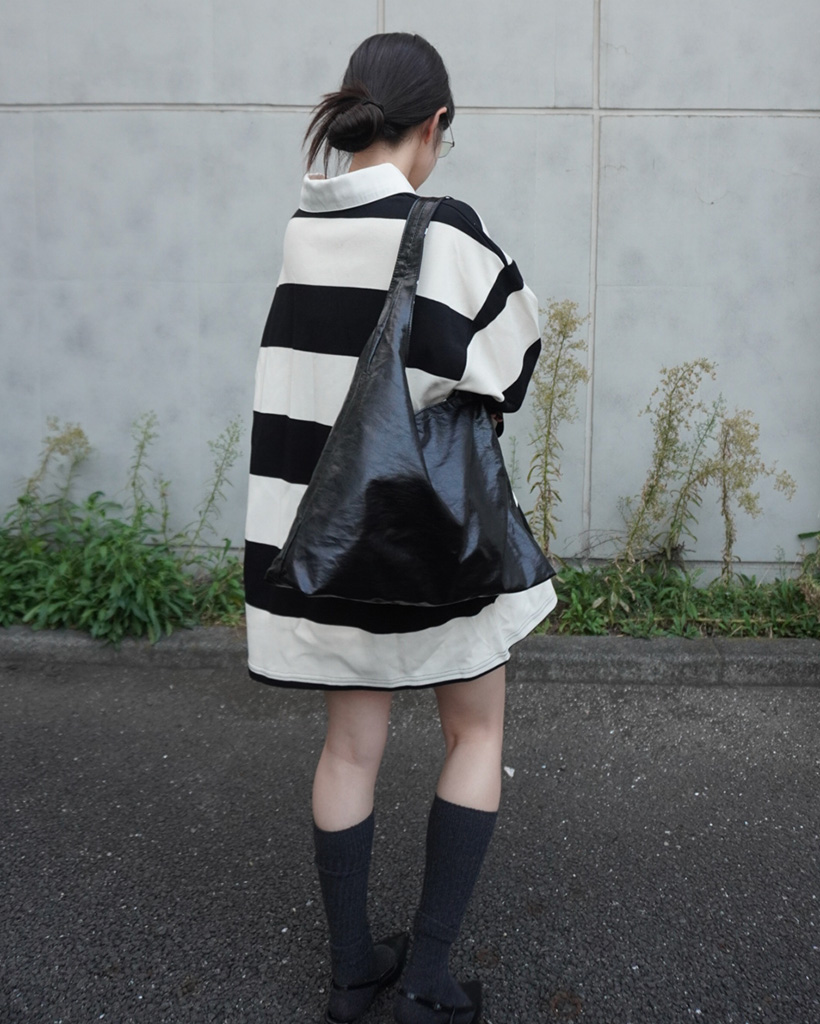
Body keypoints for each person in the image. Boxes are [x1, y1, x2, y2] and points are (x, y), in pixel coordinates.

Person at [244, 32, 557, 1024]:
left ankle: (351, 974)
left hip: (326, 542)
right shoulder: (444, 228)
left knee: (349, 749)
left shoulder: (305, 229)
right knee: (475, 730)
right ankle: (425, 977)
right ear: (435, 123)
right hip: (430, 541)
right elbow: (512, 361)